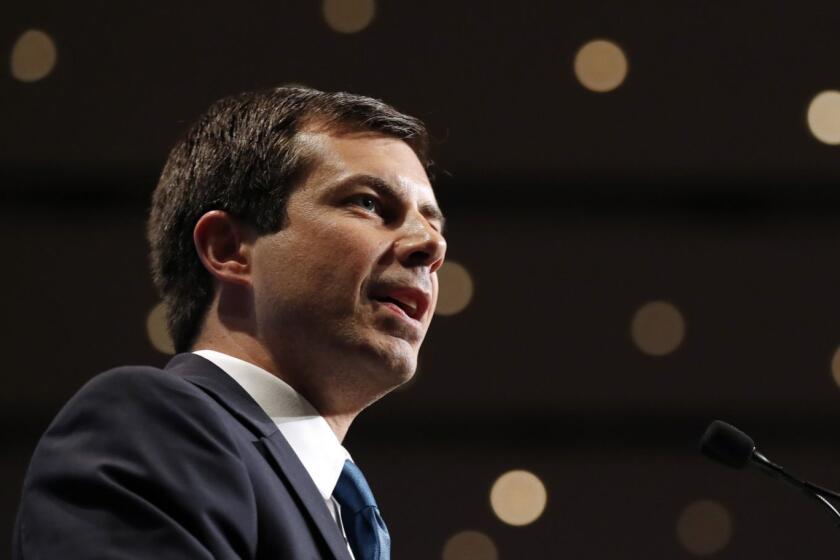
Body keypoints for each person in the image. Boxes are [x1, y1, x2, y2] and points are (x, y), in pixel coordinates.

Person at [12, 87, 447, 559]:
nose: (431, 245)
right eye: (369, 204)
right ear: (228, 249)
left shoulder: (339, 513)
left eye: (434, 224)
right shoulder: (151, 427)